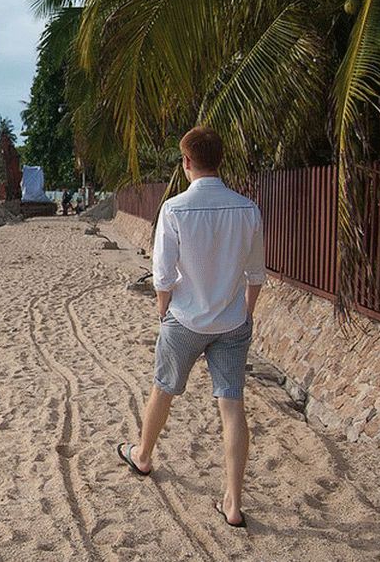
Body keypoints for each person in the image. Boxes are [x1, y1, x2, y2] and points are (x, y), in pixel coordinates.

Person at [116, 126, 265, 529]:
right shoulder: (247, 208)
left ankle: (143, 456)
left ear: (186, 163)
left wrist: (165, 313)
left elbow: (162, 276)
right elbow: (255, 274)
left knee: (163, 388)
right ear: (219, 160)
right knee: (232, 405)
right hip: (233, 321)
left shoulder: (175, 209)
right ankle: (233, 504)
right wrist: (245, 313)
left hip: (184, 319)